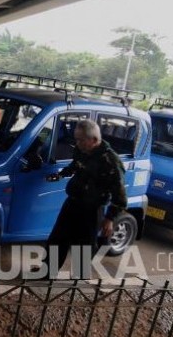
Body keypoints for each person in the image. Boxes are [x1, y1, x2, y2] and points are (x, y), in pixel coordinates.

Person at [42, 119, 127, 278]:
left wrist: (109, 218)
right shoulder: (82, 150)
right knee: (58, 238)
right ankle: (47, 272)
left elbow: (120, 196)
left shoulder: (111, 162)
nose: (77, 143)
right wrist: (61, 174)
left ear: (94, 140)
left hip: (92, 210)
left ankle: (78, 280)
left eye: (81, 139)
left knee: (84, 247)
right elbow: (75, 165)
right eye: (76, 138)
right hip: (73, 202)